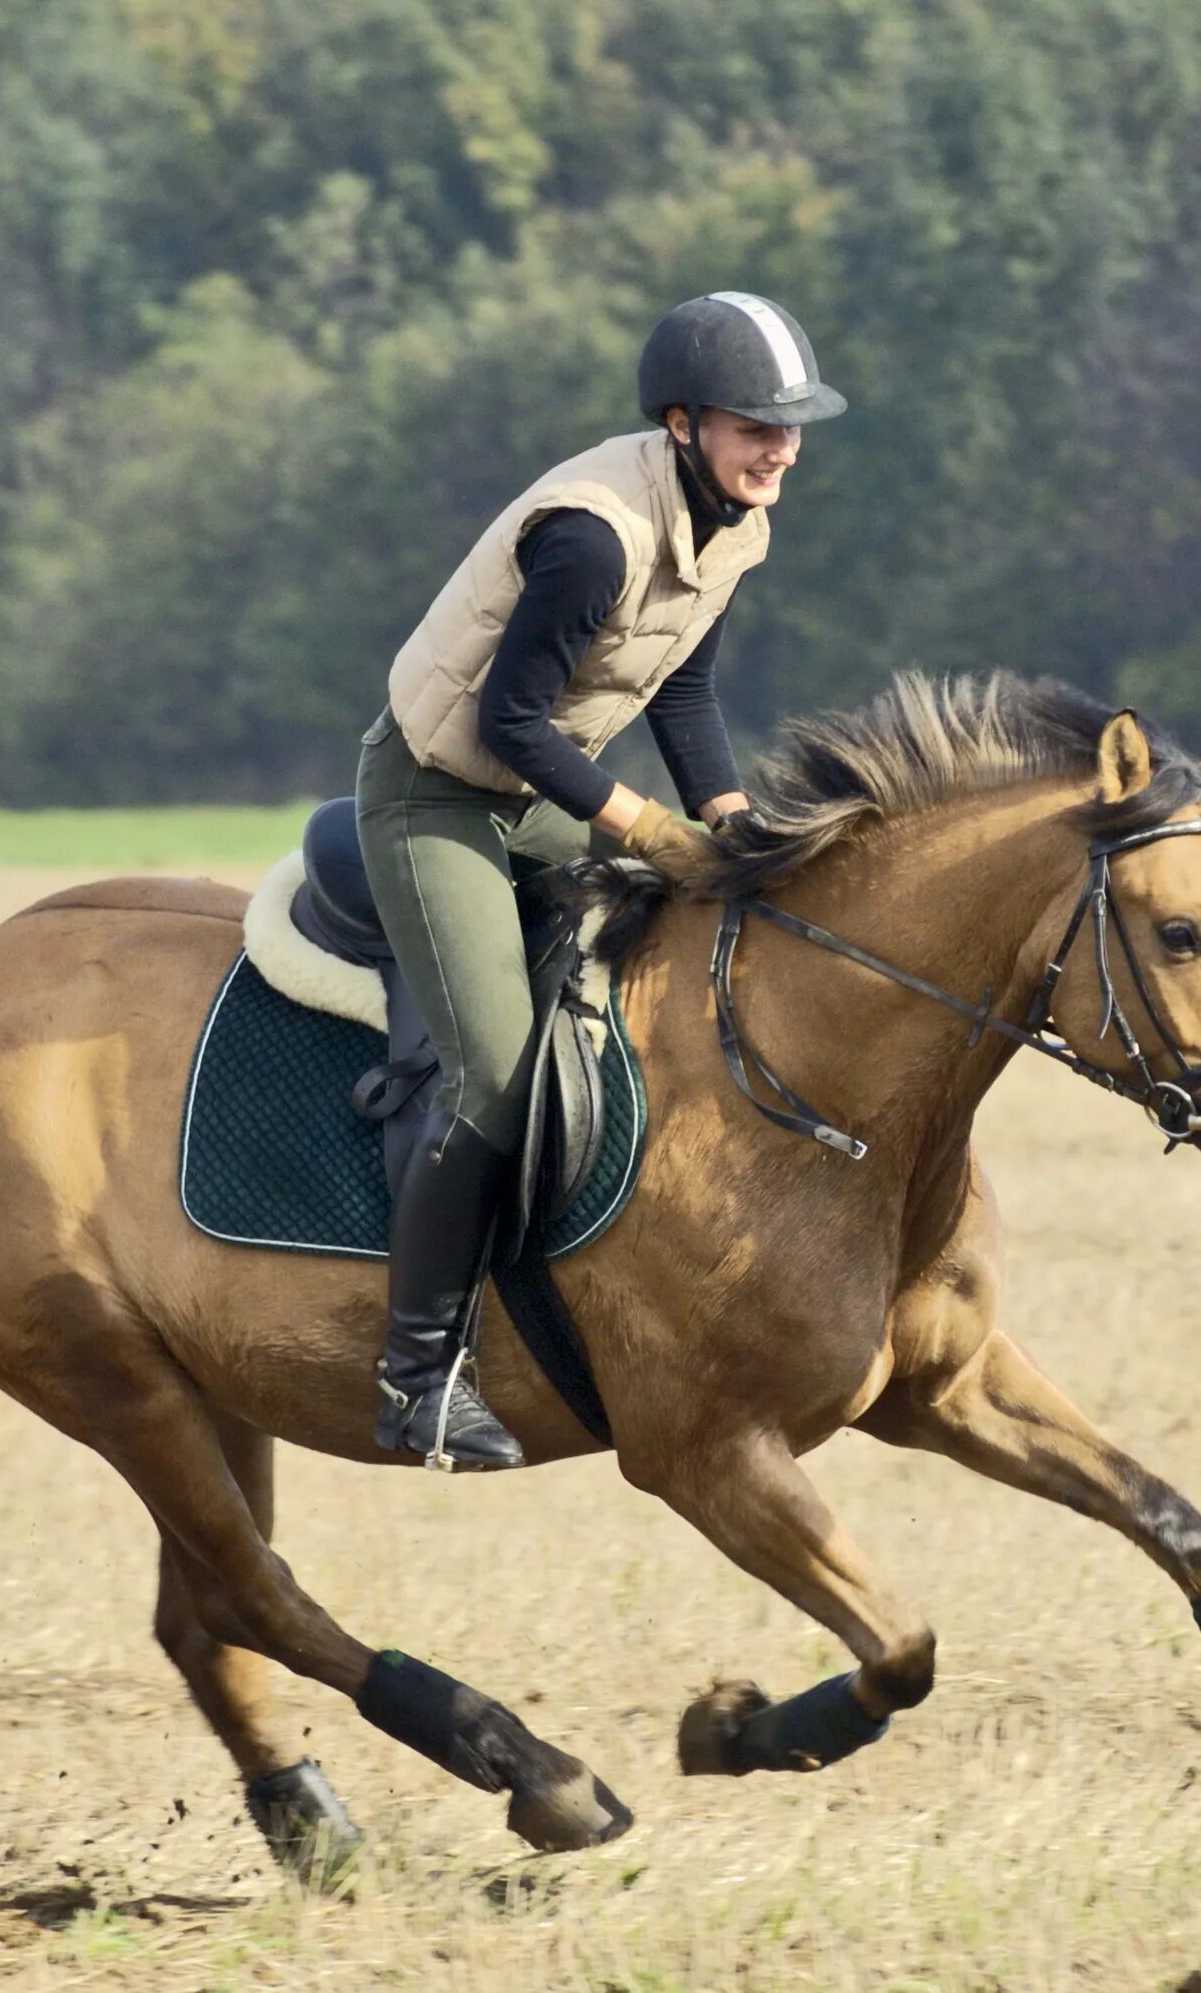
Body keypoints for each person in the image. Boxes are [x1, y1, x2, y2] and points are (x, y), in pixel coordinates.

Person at [356, 292, 848, 1469]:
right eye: (752, 426)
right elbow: (510, 721)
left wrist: (729, 827)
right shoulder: (594, 537)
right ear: (682, 424)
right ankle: (415, 1375)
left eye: (791, 426)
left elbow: (680, 687)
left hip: (530, 800)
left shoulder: (736, 519)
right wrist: (648, 829)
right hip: (437, 799)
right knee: (499, 1075)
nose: (779, 447)